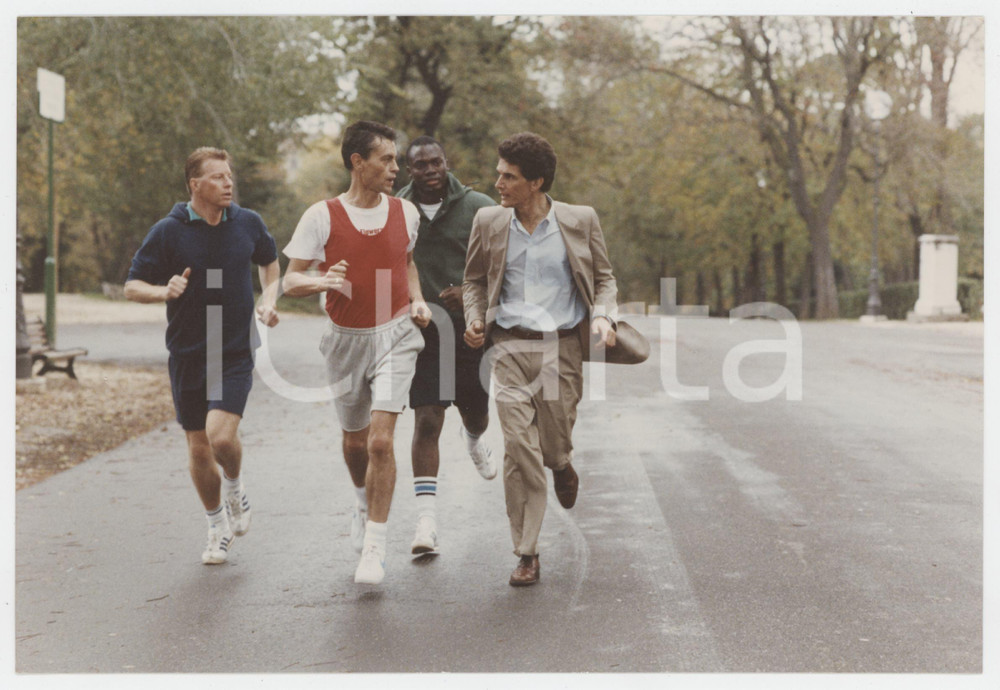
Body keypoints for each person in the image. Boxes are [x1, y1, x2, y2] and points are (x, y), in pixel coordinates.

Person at [463, 132, 619, 587]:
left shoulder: (580, 220)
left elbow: (605, 279)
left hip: (560, 349)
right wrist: (475, 319)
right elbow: (473, 281)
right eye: (499, 173)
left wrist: (605, 318)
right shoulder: (489, 222)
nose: (498, 183)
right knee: (517, 446)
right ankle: (527, 550)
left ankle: (562, 462)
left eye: (508, 177)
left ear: (537, 182)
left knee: (550, 445)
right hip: (509, 346)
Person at [282, 120, 431, 585]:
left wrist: (418, 299)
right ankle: (360, 500)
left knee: (381, 442)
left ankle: (375, 547)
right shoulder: (321, 216)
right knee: (354, 443)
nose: (395, 167)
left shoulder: (405, 212)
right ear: (357, 162)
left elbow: (406, 262)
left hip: (396, 334)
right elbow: (289, 280)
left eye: (395, 158)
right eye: (385, 159)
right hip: (345, 339)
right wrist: (319, 281)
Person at [124, 147, 280, 565]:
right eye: (218, 177)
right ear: (196, 185)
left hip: (233, 349)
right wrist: (164, 290)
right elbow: (132, 285)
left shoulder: (248, 223)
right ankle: (216, 527)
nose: (228, 183)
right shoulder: (169, 231)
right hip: (188, 352)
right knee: (197, 448)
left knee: (221, 437)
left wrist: (268, 298)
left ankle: (235, 487)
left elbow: (270, 263)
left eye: (230, 176)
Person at [396, 135, 498, 556]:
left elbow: (504, 262)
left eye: (436, 162)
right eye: (421, 165)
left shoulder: (478, 206)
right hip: (423, 333)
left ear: (447, 162)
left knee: (476, 412)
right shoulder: (397, 210)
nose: (430, 171)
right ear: (409, 169)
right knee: (426, 421)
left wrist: (477, 297)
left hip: (472, 329)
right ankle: (426, 523)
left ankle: (474, 439)